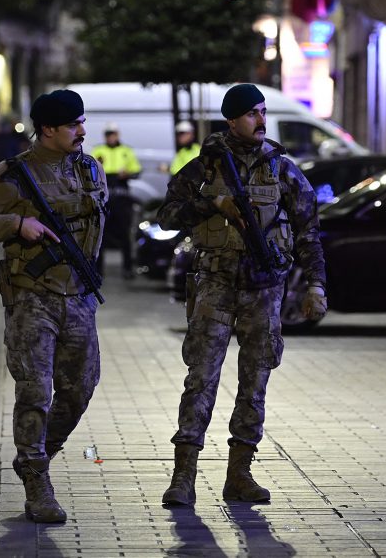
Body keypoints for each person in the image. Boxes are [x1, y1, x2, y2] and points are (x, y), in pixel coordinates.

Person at [156, 83, 328, 506]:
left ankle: (240, 472)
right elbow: (166, 216)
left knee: (255, 381)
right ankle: (184, 476)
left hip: (264, 289)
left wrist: (316, 285)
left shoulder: (282, 169)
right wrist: (212, 205)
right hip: (214, 284)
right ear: (231, 120)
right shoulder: (204, 168)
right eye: (252, 114)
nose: (261, 121)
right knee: (201, 379)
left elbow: (309, 231)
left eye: (263, 112)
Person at [0, 89, 108, 524]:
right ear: (47, 130)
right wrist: (17, 223)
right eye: (73, 124)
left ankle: (37, 455)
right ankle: (37, 482)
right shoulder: (13, 175)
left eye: (83, 122)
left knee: (79, 389)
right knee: (35, 391)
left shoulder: (90, 168)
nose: (82, 131)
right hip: (31, 298)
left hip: (78, 296)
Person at [90, 122, 142, 279]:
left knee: (125, 233)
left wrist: (128, 174)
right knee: (101, 235)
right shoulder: (98, 150)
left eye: (112, 134)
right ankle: (98, 270)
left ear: (117, 134)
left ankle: (127, 268)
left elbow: (136, 171)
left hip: (122, 196)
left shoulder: (127, 151)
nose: (110, 137)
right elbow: (91, 172)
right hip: (104, 198)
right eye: (108, 134)